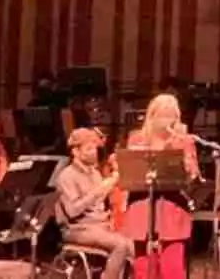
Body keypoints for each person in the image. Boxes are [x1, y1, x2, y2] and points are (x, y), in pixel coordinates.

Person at [120, 93, 200, 279]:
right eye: (162, 115)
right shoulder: (137, 139)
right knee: (144, 268)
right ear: (152, 116)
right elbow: (130, 171)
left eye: (171, 116)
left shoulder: (184, 141)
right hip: (142, 205)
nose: (167, 121)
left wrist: (185, 161)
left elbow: (193, 175)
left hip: (172, 207)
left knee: (171, 268)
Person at [55, 128, 135, 279]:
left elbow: (99, 205)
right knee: (120, 245)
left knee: (134, 244)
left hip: (100, 225)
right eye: (88, 149)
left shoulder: (95, 173)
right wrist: (99, 190)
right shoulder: (66, 176)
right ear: (75, 152)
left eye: (95, 148)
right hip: (77, 229)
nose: (94, 152)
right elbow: (72, 211)